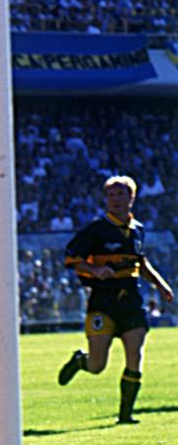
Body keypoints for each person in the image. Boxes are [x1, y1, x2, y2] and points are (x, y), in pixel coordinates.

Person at [57, 175, 173, 424]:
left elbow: (140, 263)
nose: (116, 200)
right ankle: (81, 361)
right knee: (97, 365)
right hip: (103, 301)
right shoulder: (96, 230)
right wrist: (95, 270)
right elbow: (71, 258)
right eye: (111, 195)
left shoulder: (138, 229)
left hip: (131, 300)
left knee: (136, 353)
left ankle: (125, 415)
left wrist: (162, 285)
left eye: (121, 195)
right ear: (105, 199)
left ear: (132, 198)